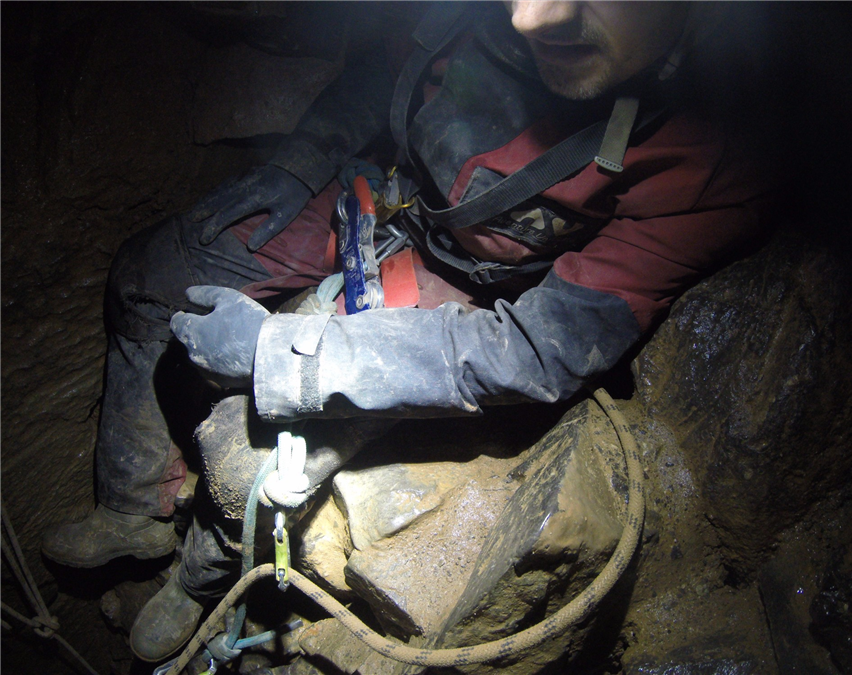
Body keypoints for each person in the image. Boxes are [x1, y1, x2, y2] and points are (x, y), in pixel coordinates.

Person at [42, 0, 780, 662]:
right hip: (383, 196)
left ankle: (195, 582)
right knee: (147, 277)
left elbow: (539, 349)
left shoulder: (713, 158)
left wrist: (282, 356)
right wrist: (302, 162)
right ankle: (133, 506)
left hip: (467, 289)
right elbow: (388, 67)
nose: (527, 16)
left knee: (248, 462)